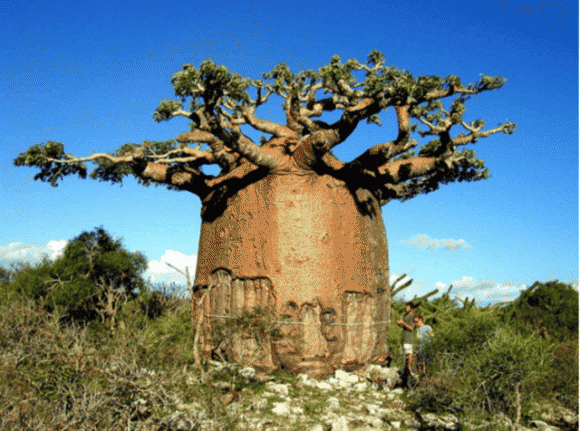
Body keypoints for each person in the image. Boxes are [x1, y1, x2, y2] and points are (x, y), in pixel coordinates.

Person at [396, 301, 416, 379]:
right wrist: (399, 323)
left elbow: (411, 328)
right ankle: (405, 371)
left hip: (409, 338)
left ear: (411, 309)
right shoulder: (404, 316)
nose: (405, 308)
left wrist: (403, 323)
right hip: (403, 338)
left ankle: (410, 371)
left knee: (409, 354)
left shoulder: (412, 317)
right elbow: (402, 327)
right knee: (405, 356)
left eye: (407, 307)